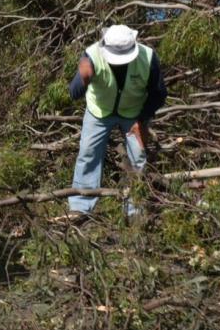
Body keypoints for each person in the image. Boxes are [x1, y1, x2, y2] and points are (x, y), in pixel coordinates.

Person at [66, 25, 167, 217]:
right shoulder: (91, 56)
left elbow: (159, 94)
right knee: (88, 152)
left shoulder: (148, 57)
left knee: (138, 157)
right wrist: (83, 77)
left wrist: (142, 119)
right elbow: (74, 93)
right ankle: (80, 207)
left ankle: (135, 209)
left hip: (133, 113)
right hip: (99, 112)